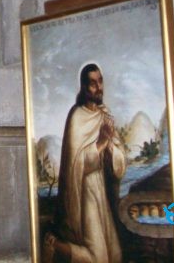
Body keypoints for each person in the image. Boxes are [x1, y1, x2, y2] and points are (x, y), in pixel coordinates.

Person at [44, 63, 126, 263]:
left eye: (100, 81)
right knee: (98, 259)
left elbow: (119, 163)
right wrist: (101, 143)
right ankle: (54, 245)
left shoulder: (104, 115)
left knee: (115, 256)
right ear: (84, 87)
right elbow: (76, 163)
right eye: (92, 83)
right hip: (83, 193)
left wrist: (110, 146)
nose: (98, 87)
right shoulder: (77, 116)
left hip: (102, 191)